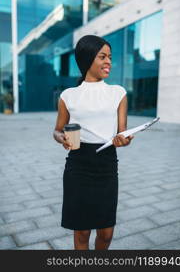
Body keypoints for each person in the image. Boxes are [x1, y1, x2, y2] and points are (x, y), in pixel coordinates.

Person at [53, 35, 134, 250]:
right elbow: (57, 130)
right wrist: (62, 138)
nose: (108, 61)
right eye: (102, 57)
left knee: (106, 233)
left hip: (106, 165)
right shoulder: (68, 95)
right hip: (78, 165)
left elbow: (122, 133)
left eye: (109, 57)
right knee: (82, 233)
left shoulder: (118, 93)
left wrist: (123, 140)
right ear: (88, 58)